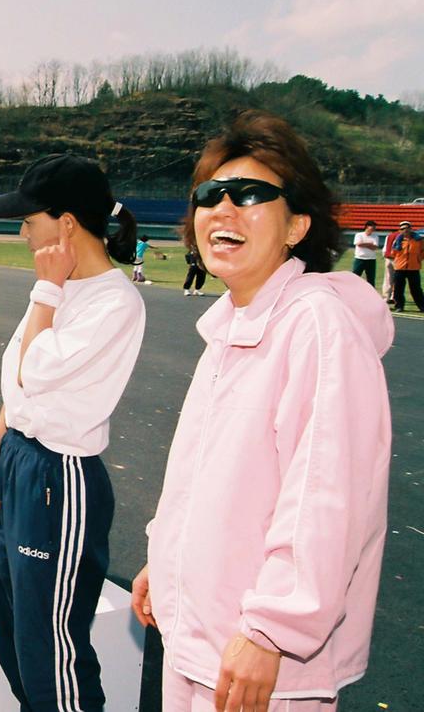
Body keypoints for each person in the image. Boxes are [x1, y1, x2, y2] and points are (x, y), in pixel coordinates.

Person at [132, 111, 393, 710]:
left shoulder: (317, 325)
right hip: (202, 639)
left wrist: (271, 630)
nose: (223, 208)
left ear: (297, 225)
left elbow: (326, 497)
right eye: (209, 195)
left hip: (257, 662)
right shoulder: (231, 325)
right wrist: (166, 563)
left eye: (249, 194)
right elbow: (207, 481)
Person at [0, 154, 144, 711]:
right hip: (21, 460)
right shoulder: (58, 288)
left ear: (66, 223)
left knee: (51, 650)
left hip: (59, 479)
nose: (23, 233)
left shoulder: (113, 301)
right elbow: (18, 381)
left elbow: (35, 370)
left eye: (29, 221)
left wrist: (47, 289)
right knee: (15, 634)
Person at [388, 219, 423, 312]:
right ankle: (399, 306)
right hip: (400, 267)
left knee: (416, 289)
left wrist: (418, 259)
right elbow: (393, 252)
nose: (405, 230)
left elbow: (422, 251)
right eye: (403, 228)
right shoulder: (398, 240)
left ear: (411, 229)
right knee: (398, 288)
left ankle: (422, 306)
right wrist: (399, 260)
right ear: (400, 230)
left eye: (407, 228)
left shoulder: (418, 240)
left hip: (414, 267)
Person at [351, 220, 379, 286]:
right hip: (360, 258)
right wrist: (370, 244)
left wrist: (364, 244)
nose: (374, 228)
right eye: (372, 226)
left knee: (371, 278)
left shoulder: (375, 236)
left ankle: (371, 291)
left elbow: (375, 247)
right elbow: (359, 244)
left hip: (371, 259)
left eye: (374, 226)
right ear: (367, 226)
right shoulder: (359, 235)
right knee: (355, 276)